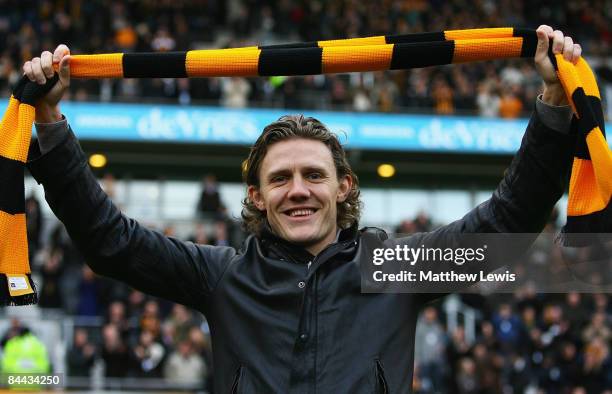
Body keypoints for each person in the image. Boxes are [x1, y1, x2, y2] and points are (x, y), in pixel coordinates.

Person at [22, 26, 581, 393]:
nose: (298, 190)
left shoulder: (394, 270)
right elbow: (109, 241)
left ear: (344, 187)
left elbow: (509, 221)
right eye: (281, 179)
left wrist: (554, 104)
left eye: (314, 175)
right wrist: (50, 121)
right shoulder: (223, 276)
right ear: (257, 197)